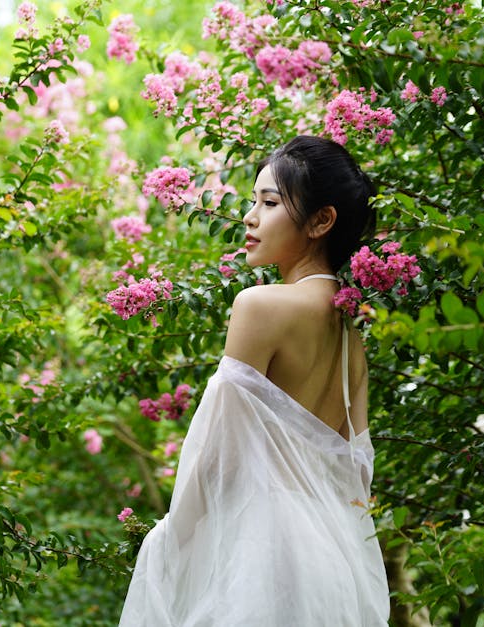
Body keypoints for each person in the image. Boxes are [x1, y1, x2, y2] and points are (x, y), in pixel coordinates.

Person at [118, 136, 391, 626]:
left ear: (321, 221)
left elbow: (215, 453)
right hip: (335, 563)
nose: (249, 217)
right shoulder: (352, 327)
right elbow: (355, 463)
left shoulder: (260, 305)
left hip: (266, 555)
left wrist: (167, 543)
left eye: (269, 203)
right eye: (252, 201)